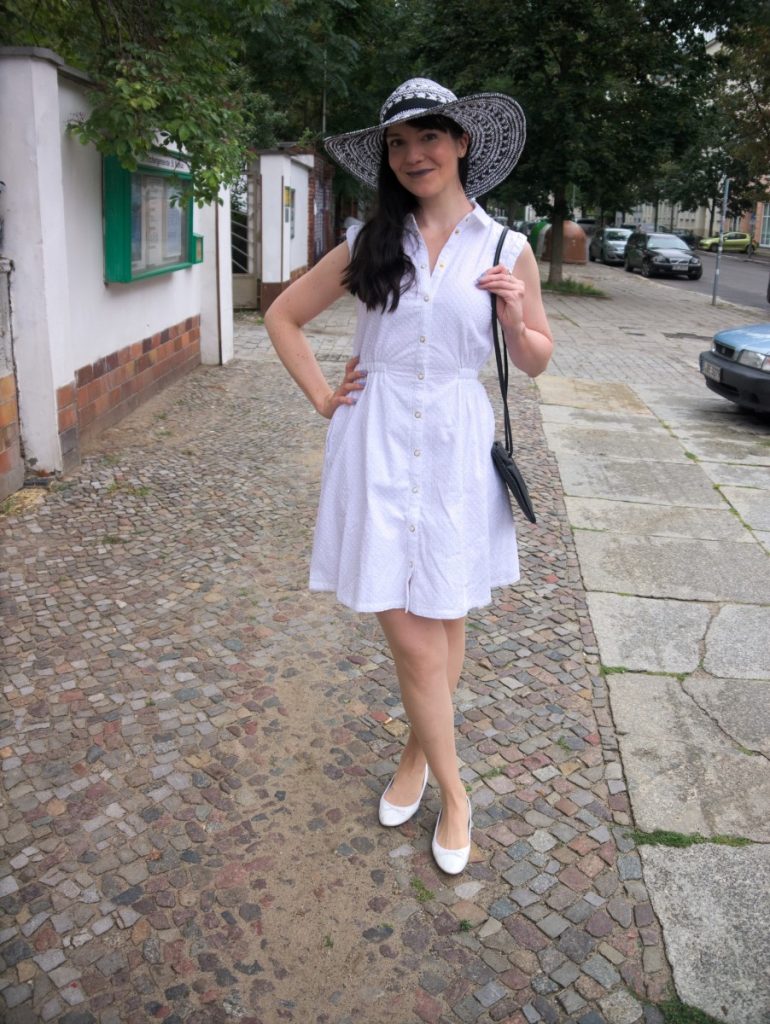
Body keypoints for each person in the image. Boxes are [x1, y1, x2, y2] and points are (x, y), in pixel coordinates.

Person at [265, 78, 553, 875]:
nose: (414, 154)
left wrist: (513, 320)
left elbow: (535, 359)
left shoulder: (504, 248)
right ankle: (458, 794)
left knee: (444, 617)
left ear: (461, 143)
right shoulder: (368, 242)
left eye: (429, 137)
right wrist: (326, 395)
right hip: (376, 445)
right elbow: (282, 315)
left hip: (459, 445)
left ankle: (417, 758)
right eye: (398, 143)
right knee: (413, 633)